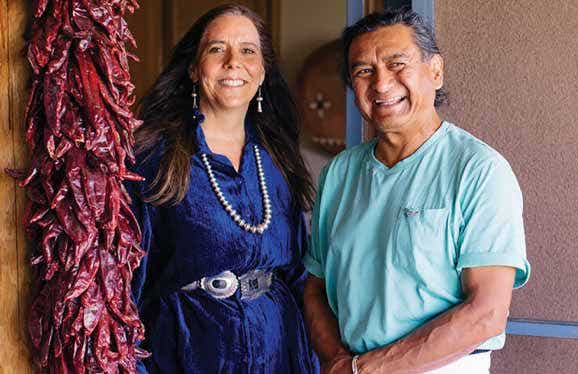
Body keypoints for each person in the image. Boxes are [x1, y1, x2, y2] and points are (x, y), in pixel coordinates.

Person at [303, 8, 531, 374]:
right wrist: (338, 362)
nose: (380, 84)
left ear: (435, 71)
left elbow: (486, 312)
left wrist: (368, 370)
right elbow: (315, 287)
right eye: (364, 71)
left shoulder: (479, 171)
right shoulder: (339, 174)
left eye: (397, 64)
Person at [126, 5, 319, 373]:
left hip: (279, 350)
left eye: (248, 51)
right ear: (195, 70)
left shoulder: (278, 160)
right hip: (189, 351)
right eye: (217, 49)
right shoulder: (154, 159)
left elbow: (297, 274)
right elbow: (124, 288)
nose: (234, 62)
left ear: (261, 73)